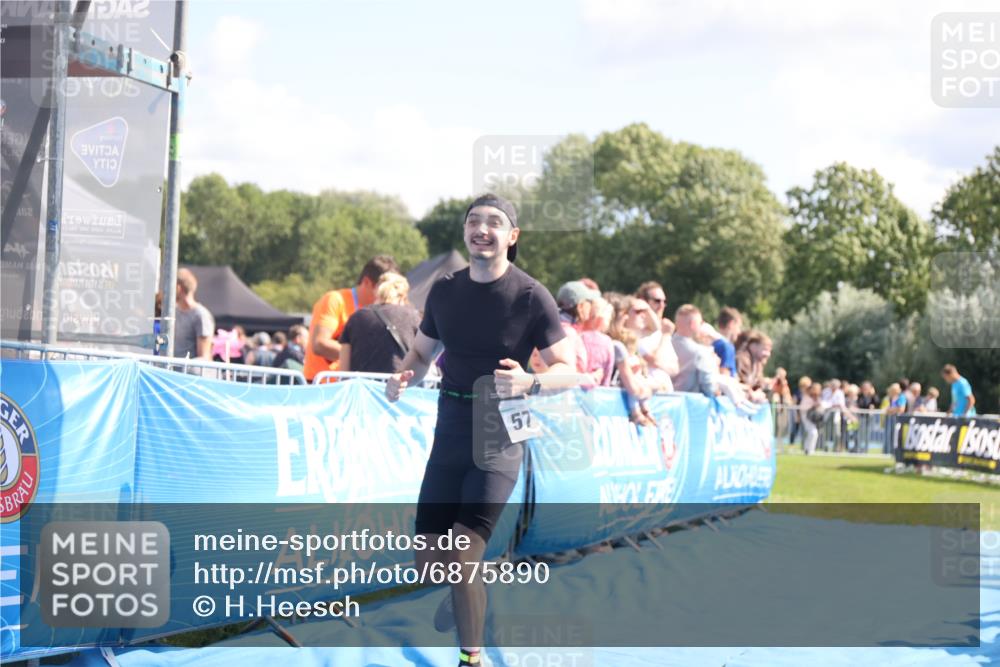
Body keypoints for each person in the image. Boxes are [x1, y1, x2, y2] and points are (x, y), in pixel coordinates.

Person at [385, 194, 580, 667]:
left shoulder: (533, 296)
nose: (482, 228)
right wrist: (403, 373)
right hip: (450, 424)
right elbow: (422, 352)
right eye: (474, 221)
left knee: (463, 551)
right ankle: (464, 591)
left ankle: (471, 657)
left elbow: (570, 370)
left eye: (495, 222)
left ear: (512, 237)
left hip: (499, 427)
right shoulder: (445, 290)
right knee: (430, 561)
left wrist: (531, 380)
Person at [303, 255, 399, 382]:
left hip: (352, 387)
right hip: (322, 386)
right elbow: (320, 344)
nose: (388, 295)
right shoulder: (335, 300)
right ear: (366, 282)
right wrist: (365, 354)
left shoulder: (380, 311)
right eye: (383, 290)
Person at [339, 272, 421, 374]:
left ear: (377, 291)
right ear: (403, 296)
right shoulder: (412, 317)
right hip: (400, 387)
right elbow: (424, 357)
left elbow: (343, 370)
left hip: (362, 387)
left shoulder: (356, 317)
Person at [173, 268, 214, 360]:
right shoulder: (173, 312)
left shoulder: (201, 316)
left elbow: (204, 357)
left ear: (178, 288)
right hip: (173, 372)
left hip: (189, 373)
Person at [712, 307, 742, 377]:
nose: (739, 332)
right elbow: (725, 376)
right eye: (739, 327)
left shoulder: (712, 343)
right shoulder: (727, 347)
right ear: (731, 324)